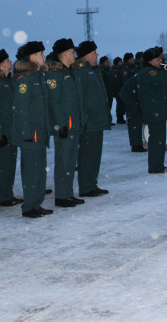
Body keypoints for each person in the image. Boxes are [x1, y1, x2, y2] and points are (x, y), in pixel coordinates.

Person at [12, 41, 54, 218]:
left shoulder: (39, 76)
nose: (44, 56)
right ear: (32, 57)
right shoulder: (25, 79)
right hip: (31, 134)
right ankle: (29, 206)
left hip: (40, 132)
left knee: (39, 171)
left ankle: (36, 203)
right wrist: (26, 133)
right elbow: (21, 109)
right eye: (40, 53)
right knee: (31, 171)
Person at [46, 38, 86, 208]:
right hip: (65, 126)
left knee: (70, 161)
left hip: (73, 124)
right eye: (71, 52)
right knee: (63, 160)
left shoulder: (70, 72)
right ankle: (61, 196)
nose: (74, 54)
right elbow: (54, 101)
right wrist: (60, 124)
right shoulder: (55, 75)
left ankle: (68, 193)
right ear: (64, 54)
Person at [72, 41, 111, 197]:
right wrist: (85, 118)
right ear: (86, 55)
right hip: (89, 120)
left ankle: (91, 184)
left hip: (97, 119)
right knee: (87, 155)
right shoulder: (81, 72)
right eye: (94, 52)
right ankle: (86, 187)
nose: (97, 55)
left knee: (94, 154)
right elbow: (80, 99)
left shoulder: (92, 70)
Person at [0, 49, 23, 207]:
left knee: (10, 164)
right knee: (3, 165)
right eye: (7, 60)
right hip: (4, 132)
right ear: (1, 65)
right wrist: (0, 133)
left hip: (11, 129)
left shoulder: (8, 81)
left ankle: (8, 193)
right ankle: (3, 196)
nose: (10, 62)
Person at [136, 47, 167, 174]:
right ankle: (155, 166)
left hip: (157, 109)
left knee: (160, 138)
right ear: (151, 61)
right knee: (157, 138)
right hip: (154, 110)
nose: (161, 61)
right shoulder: (148, 72)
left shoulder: (153, 71)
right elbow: (161, 79)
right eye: (158, 59)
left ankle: (157, 164)